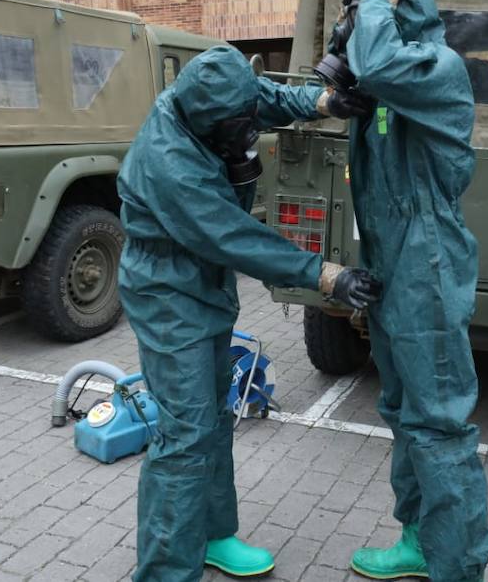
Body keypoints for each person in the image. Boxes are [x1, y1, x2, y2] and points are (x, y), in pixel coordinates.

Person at [117, 45, 381, 582]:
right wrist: (327, 276)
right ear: (208, 122)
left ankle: (212, 534)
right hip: (167, 291)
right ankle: (166, 570)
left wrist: (327, 102)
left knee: (213, 415)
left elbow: (270, 97)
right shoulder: (170, 163)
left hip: (202, 280)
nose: (248, 132)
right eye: (238, 129)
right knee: (185, 433)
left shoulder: (218, 89)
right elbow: (236, 239)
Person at [340, 0, 488, 581]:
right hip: (387, 254)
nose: (364, 6)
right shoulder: (385, 77)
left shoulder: (436, 67)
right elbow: (364, 70)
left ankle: (455, 565)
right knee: (402, 407)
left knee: (438, 419)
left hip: (425, 258)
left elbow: (375, 61)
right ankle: (417, 540)